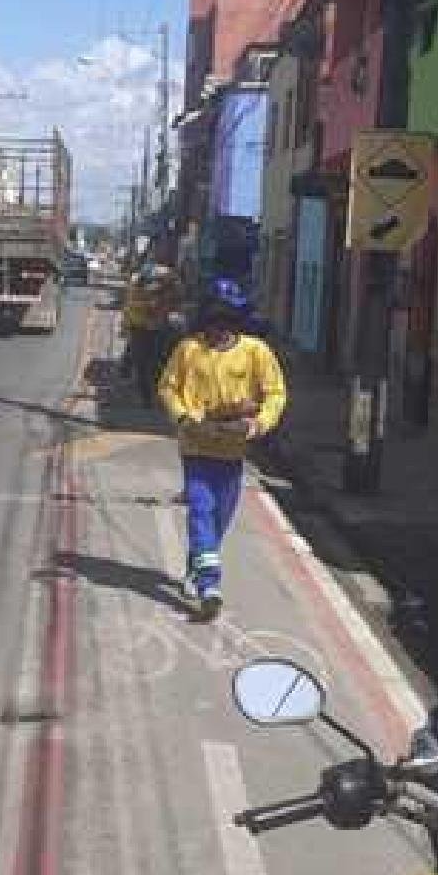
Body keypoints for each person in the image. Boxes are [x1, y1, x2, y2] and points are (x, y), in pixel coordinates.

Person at [157, 279, 287, 620]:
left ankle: (196, 565)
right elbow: (169, 388)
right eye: (213, 318)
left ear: (236, 320)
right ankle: (209, 588)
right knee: (201, 510)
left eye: (226, 319)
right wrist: (184, 418)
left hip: (233, 452)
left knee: (217, 521)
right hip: (196, 447)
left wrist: (259, 422)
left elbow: (275, 394)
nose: (218, 327)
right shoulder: (188, 350)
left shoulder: (257, 352)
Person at [122, 264, 180, 407]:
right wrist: (150, 304)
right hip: (139, 328)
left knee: (157, 362)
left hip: (156, 329)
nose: (154, 286)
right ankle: (145, 397)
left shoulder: (166, 284)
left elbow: (176, 292)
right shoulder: (136, 287)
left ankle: (156, 392)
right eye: (151, 283)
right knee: (141, 363)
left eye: (157, 282)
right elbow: (134, 306)